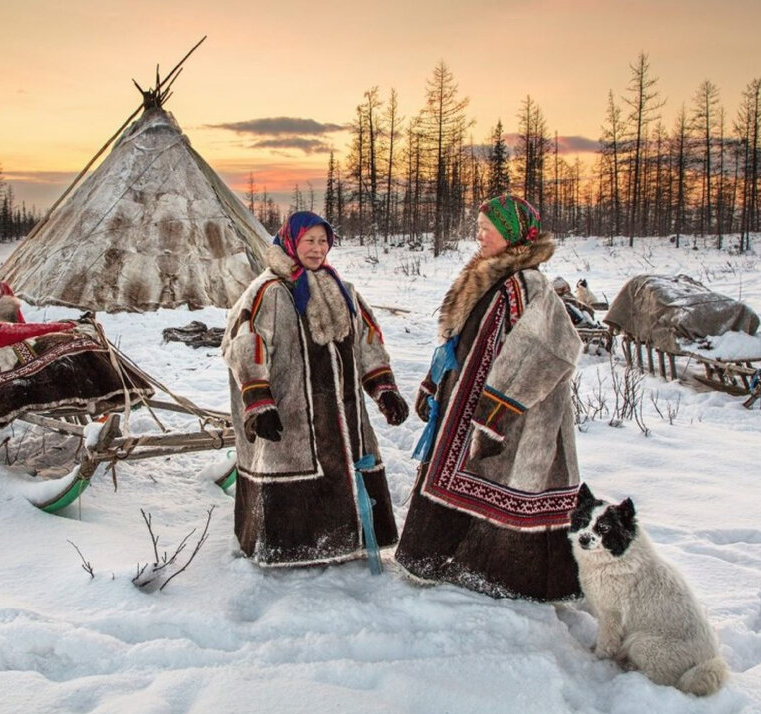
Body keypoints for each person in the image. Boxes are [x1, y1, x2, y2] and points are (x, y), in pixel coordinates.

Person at [395, 195, 583, 600]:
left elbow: (552, 349)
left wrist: (498, 410)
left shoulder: (529, 285)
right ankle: (447, 560)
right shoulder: (485, 276)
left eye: (487, 229)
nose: (478, 235)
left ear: (511, 234)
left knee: (506, 477)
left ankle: (505, 575)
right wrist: (433, 381)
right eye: (479, 227)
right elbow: (456, 338)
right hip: (464, 398)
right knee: (462, 473)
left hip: (514, 415)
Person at [221, 211, 408, 568]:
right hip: (290, 412)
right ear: (291, 242)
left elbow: (368, 340)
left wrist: (383, 388)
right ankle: (290, 550)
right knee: (296, 464)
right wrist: (258, 401)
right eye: (309, 240)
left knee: (346, 462)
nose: (317, 248)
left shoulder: (342, 290)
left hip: (345, 409)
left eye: (323, 241)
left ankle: (341, 542)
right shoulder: (268, 291)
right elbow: (244, 343)